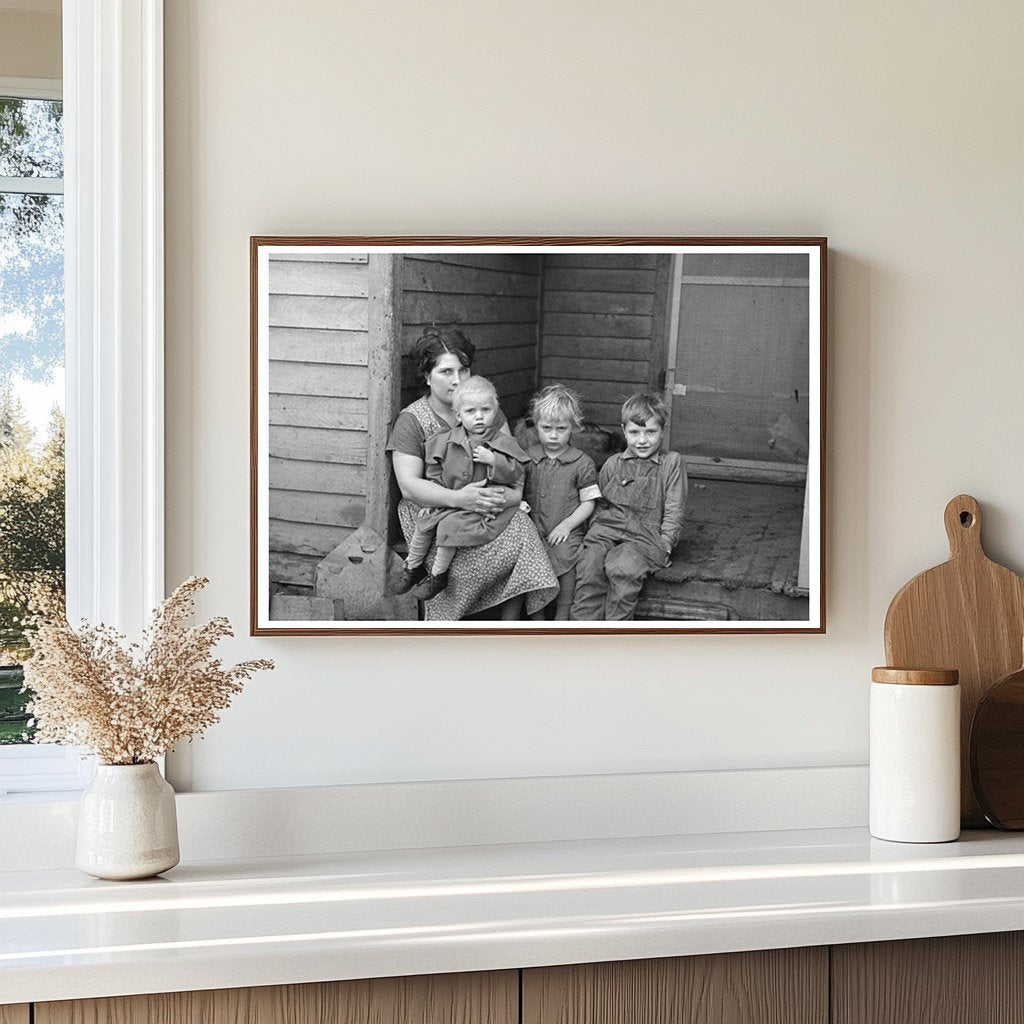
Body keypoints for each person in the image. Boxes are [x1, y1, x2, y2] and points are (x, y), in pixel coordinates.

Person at [386, 328, 557, 620]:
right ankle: (448, 613)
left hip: (488, 503)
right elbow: (409, 486)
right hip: (435, 509)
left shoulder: (485, 410)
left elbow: (511, 464)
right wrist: (460, 499)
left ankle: (520, 621)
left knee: (523, 529)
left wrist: (509, 497)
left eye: (463, 370)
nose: (457, 380)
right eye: (446, 371)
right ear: (427, 377)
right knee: (459, 557)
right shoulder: (413, 420)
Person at [395, 376, 530, 600]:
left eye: (486, 410)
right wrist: (433, 499)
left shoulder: (503, 443)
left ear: (495, 412)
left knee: (450, 526)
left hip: (479, 507)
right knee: (424, 521)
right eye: (470, 411)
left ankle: (438, 575)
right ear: (458, 415)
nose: (479, 416)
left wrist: (494, 460)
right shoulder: (445, 440)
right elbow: (434, 471)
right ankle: (412, 566)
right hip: (453, 500)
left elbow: (516, 472)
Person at [570, 392, 687, 621]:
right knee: (590, 564)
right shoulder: (613, 463)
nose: (642, 440)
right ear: (624, 430)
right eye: (634, 432)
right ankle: (581, 633)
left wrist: (666, 543)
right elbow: (600, 503)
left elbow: (675, 507)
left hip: (644, 538)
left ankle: (616, 635)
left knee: (622, 566)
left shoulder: (671, 463)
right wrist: (595, 531)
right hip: (607, 531)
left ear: (663, 430)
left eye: (650, 432)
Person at [523, 385, 601, 620]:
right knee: (531, 561)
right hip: (534, 528)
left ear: (574, 428)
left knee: (568, 556)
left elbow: (588, 503)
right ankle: (537, 619)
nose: (553, 435)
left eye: (561, 429)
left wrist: (567, 525)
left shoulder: (582, 462)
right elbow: (517, 490)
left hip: (566, 529)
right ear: (536, 426)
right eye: (546, 428)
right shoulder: (528, 457)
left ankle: (562, 615)